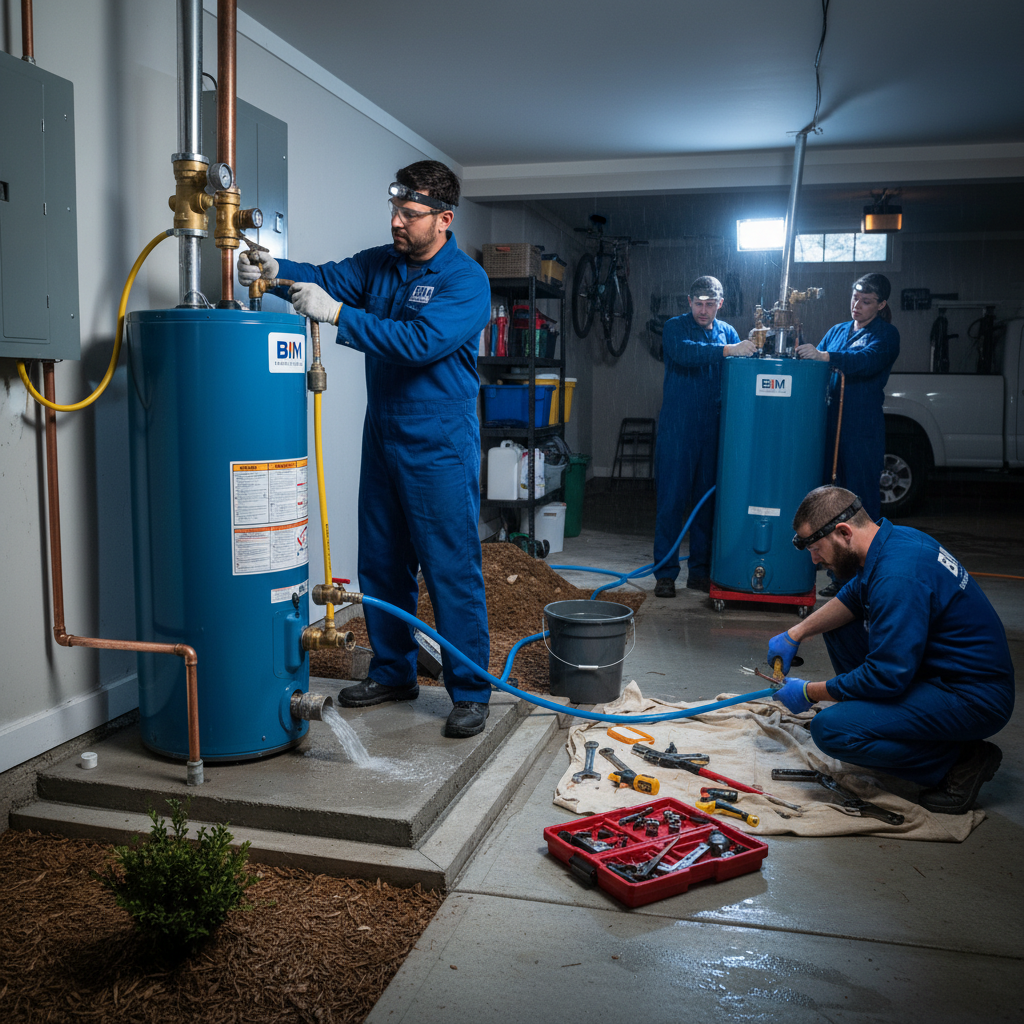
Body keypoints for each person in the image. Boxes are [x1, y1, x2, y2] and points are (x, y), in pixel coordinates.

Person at [238, 161, 493, 738]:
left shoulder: (466, 281)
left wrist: (338, 315)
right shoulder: (380, 263)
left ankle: (471, 691)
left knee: (449, 566)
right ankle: (394, 672)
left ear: (444, 219)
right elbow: (324, 276)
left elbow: (420, 342)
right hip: (383, 431)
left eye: (411, 214)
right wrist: (276, 271)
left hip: (439, 440)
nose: (397, 222)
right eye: (395, 210)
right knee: (381, 560)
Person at [767, 486, 1014, 814]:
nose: (814, 559)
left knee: (832, 731)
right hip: (939, 673)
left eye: (815, 548)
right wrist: (795, 633)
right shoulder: (893, 541)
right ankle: (876, 720)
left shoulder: (898, 577)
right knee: (837, 626)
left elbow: (885, 677)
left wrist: (810, 692)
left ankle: (961, 761)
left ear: (844, 532)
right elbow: (853, 596)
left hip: (973, 698)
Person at [796, 273, 900, 596]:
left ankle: (865, 581)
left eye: (866, 301)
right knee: (830, 501)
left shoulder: (886, 335)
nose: (857, 305)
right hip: (830, 426)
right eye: (855, 298)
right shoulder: (837, 331)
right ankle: (838, 577)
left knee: (859, 503)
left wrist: (826, 356)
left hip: (861, 428)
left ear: (881, 304)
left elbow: (865, 362)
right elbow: (816, 366)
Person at [653, 276, 755, 597]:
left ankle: (699, 572)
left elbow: (739, 375)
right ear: (689, 301)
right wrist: (728, 350)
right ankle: (665, 575)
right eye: (698, 303)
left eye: (710, 304)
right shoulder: (675, 328)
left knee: (706, 503)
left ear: (720, 304)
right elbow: (686, 353)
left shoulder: (728, 332)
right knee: (671, 501)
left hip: (714, 428)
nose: (703, 310)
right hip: (679, 429)